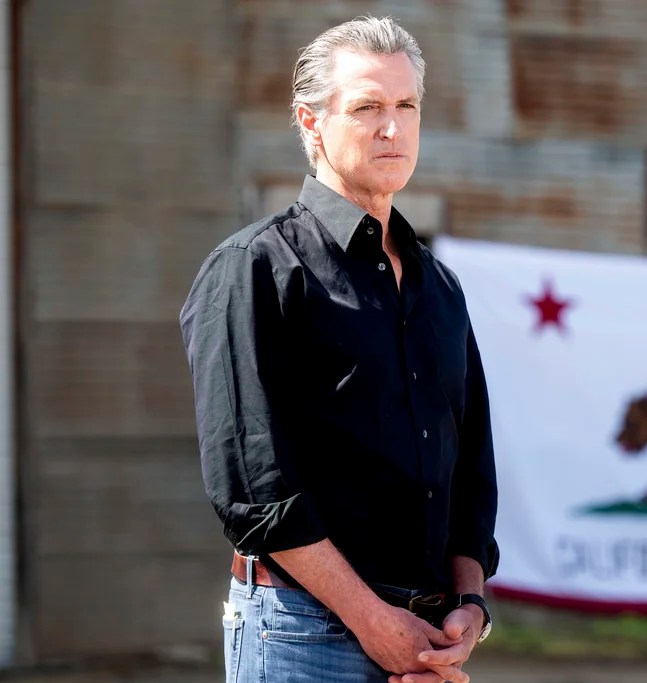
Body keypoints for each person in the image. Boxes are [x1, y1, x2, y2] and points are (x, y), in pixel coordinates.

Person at [180, 15, 498, 683]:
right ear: (311, 121)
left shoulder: (439, 285)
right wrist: (374, 621)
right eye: (368, 107)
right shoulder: (253, 268)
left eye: (406, 105)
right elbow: (255, 487)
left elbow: (470, 464)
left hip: (426, 639)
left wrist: (469, 604)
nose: (393, 127)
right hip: (302, 634)